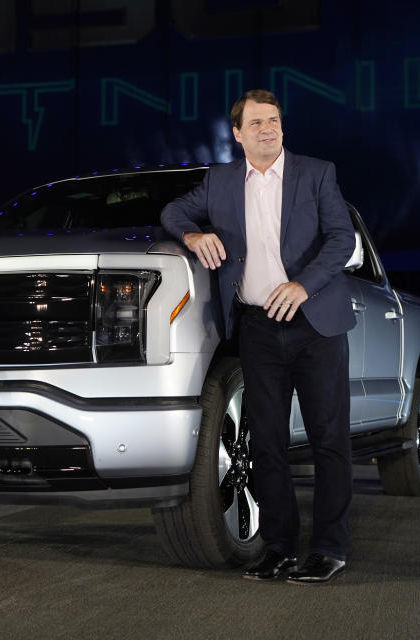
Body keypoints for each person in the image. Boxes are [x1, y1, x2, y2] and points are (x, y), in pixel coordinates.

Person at [161, 89, 357, 584]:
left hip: (316, 324)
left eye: (273, 121)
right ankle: (279, 547)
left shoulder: (317, 173)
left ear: (282, 128)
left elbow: (342, 239)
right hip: (257, 327)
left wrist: (304, 284)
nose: (267, 129)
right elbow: (172, 212)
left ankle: (329, 548)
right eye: (256, 123)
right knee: (266, 442)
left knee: (328, 440)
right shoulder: (220, 181)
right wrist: (193, 234)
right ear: (237, 134)